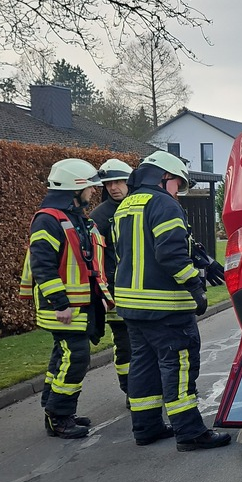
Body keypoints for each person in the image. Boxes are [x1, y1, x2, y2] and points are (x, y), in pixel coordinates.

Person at [113, 150, 232, 451]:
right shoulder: (164, 204)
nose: (178, 191)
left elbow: (138, 250)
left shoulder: (126, 205)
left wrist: (207, 263)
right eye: (178, 184)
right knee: (178, 366)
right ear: (164, 177)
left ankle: (147, 428)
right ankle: (190, 432)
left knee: (143, 365)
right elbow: (170, 254)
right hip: (165, 307)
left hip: (132, 305)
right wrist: (195, 284)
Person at [18, 158, 111, 439]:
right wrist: (61, 304)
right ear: (75, 189)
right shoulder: (48, 220)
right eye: (89, 188)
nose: (93, 193)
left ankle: (57, 411)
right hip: (63, 307)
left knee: (64, 355)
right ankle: (59, 416)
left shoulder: (76, 219)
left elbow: (86, 262)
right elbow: (42, 265)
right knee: (76, 358)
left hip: (76, 305)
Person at [90, 158, 134, 406]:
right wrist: (107, 293)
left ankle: (146, 386)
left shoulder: (139, 206)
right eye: (108, 183)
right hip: (115, 292)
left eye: (118, 181)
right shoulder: (100, 217)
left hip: (140, 289)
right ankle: (130, 390)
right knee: (125, 343)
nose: (114, 187)